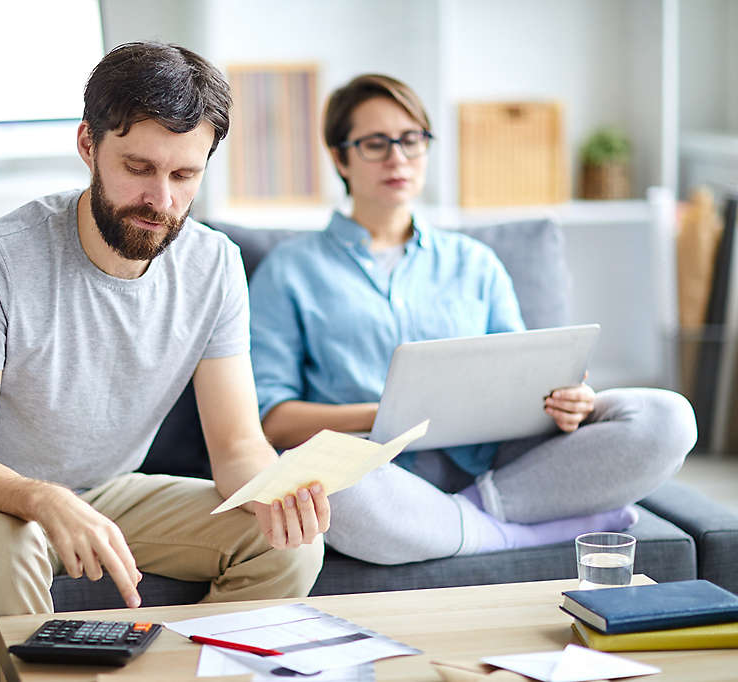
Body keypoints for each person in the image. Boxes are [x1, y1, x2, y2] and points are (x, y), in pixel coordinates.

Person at [0, 42, 330, 682]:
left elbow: (237, 445)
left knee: (288, 546)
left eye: (184, 176)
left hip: (106, 493)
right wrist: (42, 500)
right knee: (4, 543)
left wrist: (278, 489)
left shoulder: (215, 265)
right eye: (138, 167)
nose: (160, 199)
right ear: (88, 146)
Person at [248, 73, 696, 566]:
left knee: (667, 418)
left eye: (412, 140)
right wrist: (391, 418)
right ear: (340, 157)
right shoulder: (291, 269)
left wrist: (567, 400)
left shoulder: (474, 262)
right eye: (376, 144)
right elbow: (274, 421)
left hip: (496, 461)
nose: (397, 157)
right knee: (318, 485)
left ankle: (469, 519)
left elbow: (525, 377)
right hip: (378, 471)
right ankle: (515, 531)